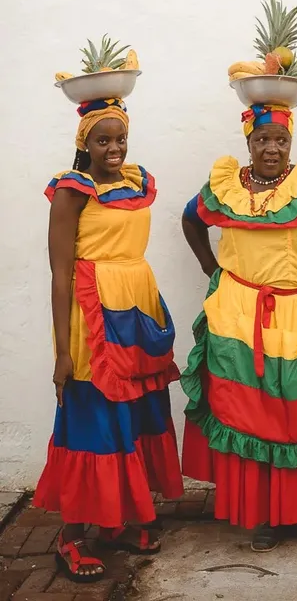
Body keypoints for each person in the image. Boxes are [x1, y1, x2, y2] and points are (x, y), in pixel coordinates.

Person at [180, 103, 297, 552]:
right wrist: (212, 268)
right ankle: (266, 513)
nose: (272, 148)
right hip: (237, 317)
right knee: (254, 413)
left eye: (280, 140)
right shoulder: (226, 187)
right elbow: (191, 220)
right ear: (247, 143)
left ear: (291, 142)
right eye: (262, 140)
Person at [34, 97, 184, 583]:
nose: (114, 148)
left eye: (120, 138)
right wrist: (62, 352)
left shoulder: (134, 183)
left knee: (134, 416)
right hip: (92, 319)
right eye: (104, 140)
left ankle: (117, 524)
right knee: (93, 418)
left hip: (136, 306)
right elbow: (60, 275)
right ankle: (72, 536)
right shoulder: (71, 192)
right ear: (85, 143)